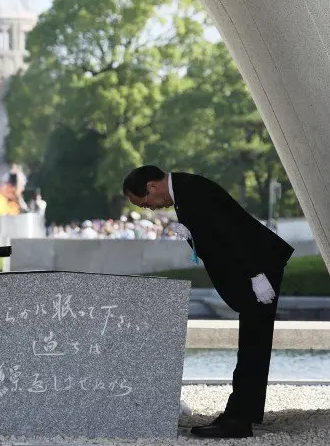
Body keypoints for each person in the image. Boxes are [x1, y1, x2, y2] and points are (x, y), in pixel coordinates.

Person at [122, 166, 294, 439]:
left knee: (253, 343)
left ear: (152, 186)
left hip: (258, 266)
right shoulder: (183, 191)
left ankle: (238, 419)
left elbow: (232, 234)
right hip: (256, 267)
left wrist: (257, 275)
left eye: (145, 203)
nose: (150, 209)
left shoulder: (190, 190)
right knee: (254, 341)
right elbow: (213, 235)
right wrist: (191, 236)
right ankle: (244, 413)